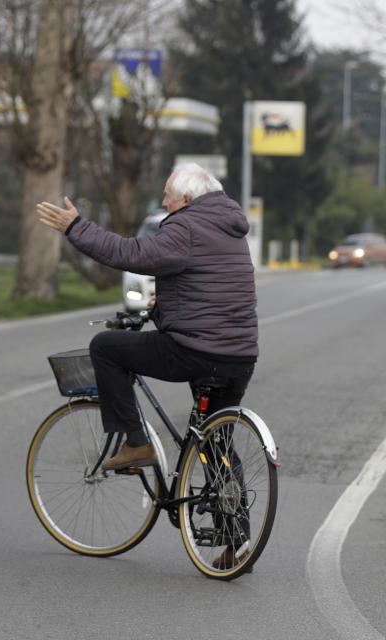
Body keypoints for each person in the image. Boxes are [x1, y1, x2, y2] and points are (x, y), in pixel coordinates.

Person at [37, 162, 258, 569]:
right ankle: (236, 539)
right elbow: (210, 290)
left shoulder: (186, 225)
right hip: (240, 354)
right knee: (216, 441)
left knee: (106, 347)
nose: (163, 203)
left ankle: (135, 443)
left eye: (168, 197)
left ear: (188, 200)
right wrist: (164, 307)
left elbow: (130, 254)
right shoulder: (229, 226)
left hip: (195, 351)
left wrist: (75, 228)